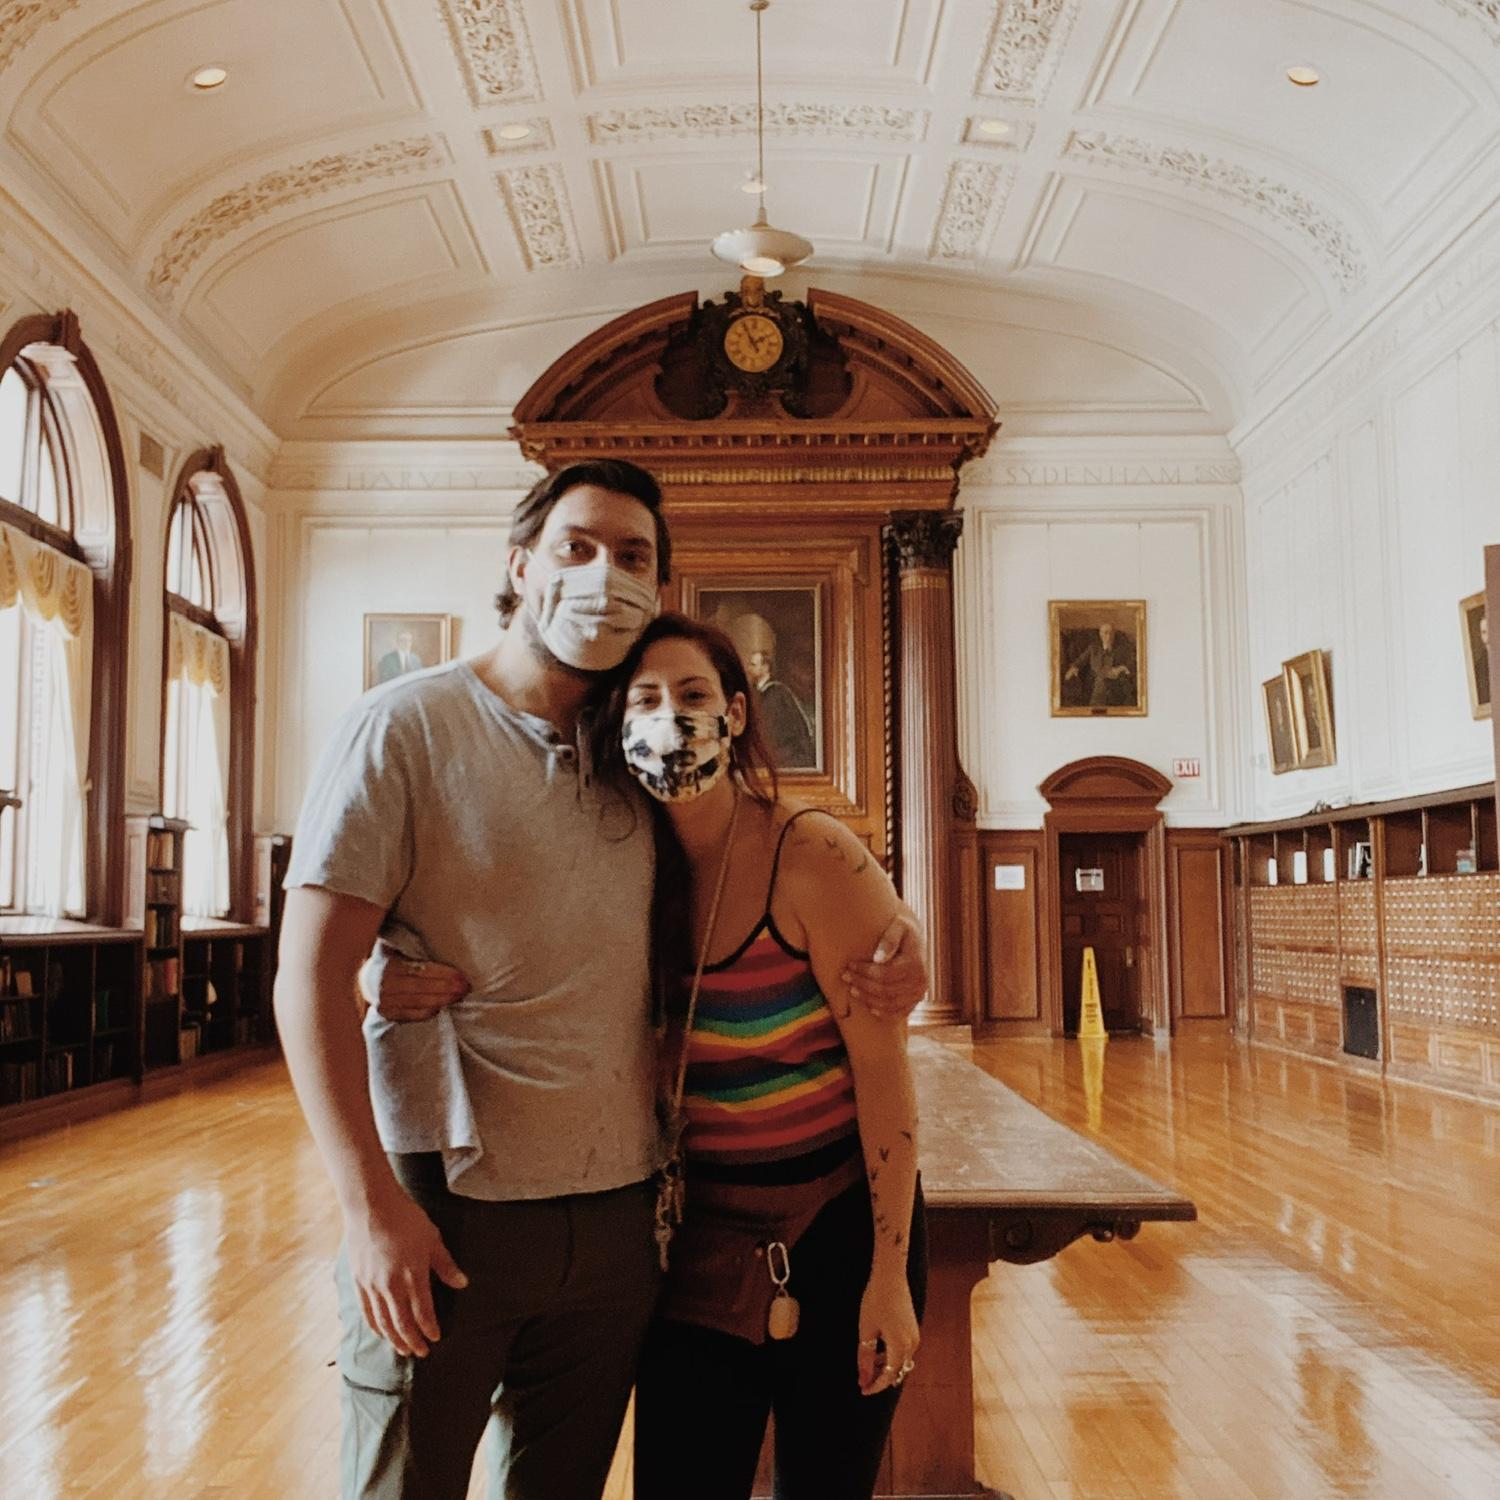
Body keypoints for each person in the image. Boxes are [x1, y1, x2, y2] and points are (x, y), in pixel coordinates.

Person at [273, 457, 929, 1500]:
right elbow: (307, 976)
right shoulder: (406, 726)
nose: (602, 575)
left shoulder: (631, 767)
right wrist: (368, 1207)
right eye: (575, 547)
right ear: (520, 565)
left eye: (631, 556)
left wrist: (902, 935)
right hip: (452, 1206)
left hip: (628, 1224)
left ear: (660, 586)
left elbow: (736, 879)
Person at [725, 609, 817, 767]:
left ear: (765, 666)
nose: (747, 669)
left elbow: (774, 747)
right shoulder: (753, 696)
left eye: (752, 664)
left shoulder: (776, 697)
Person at [1063, 622, 1136, 708]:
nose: (1109, 636)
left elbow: (1132, 663)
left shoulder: (1122, 649)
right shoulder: (1093, 648)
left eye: (1111, 633)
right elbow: (1080, 661)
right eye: (1106, 633)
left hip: (1116, 686)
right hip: (1096, 685)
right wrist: (1073, 668)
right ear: (1100, 634)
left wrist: (1121, 668)